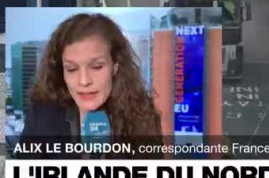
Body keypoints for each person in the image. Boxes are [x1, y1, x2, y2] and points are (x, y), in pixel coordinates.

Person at [18, 13, 162, 158]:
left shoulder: (143, 119)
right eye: (71, 69)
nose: (84, 81)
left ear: (115, 67)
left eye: (96, 67)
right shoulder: (40, 118)